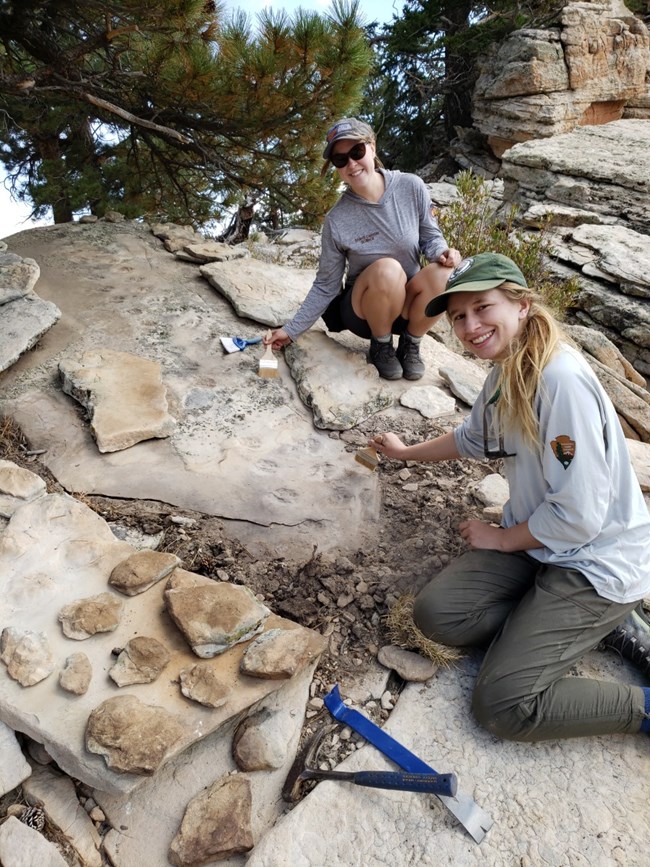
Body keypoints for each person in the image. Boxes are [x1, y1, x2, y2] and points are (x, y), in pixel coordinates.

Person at [370, 252, 650, 742]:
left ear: (521, 304)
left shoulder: (559, 381)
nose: (470, 325)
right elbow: (471, 439)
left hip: (595, 560)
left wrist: (501, 540)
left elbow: (580, 516)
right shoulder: (504, 371)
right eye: (458, 316)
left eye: (482, 307)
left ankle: (638, 702)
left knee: (502, 704)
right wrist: (404, 453)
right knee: (436, 616)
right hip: (542, 545)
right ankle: (565, 632)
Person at [264, 117, 461, 381]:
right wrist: (292, 330)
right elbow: (326, 284)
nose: (351, 164)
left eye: (357, 152)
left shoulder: (411, 186)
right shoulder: (337, 219)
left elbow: (430, 236)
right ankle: (380, 346)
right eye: (340, 159)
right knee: (387, 269)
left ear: (372, 147)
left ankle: (410, 344)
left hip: (407, 305)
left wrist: (442, 252)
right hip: (364, 313)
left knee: (444, 274)